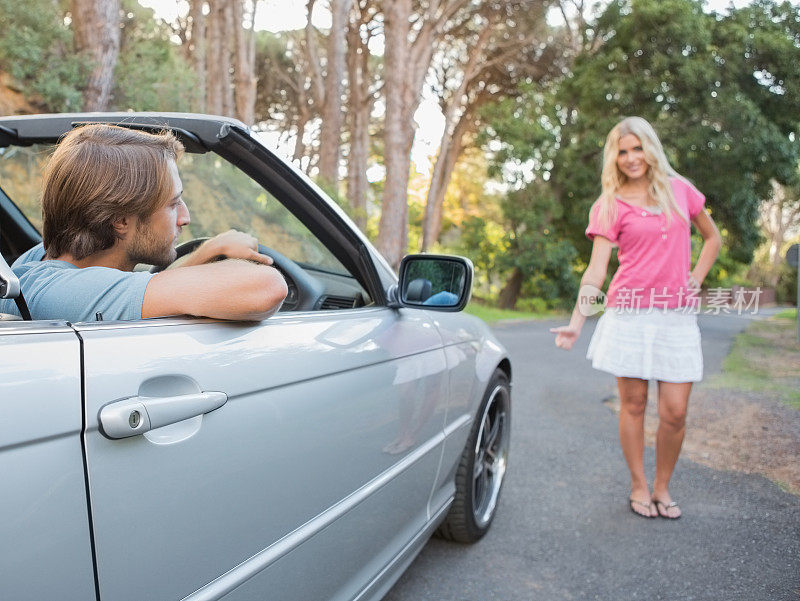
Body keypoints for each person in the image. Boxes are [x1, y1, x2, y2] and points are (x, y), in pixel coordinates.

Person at [550, 116, 721, 519]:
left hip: (675, 317)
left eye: (637, 148)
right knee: (634, 403)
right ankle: (639, 484)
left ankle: (663, 485)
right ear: (614, 158)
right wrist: (578, 320)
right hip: (628, 314)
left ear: (651, 148)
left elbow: (712, 237)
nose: (630, 158)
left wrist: (695, 277)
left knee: (675, 411)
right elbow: (597, 271)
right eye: (622, 152)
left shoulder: (682, 191)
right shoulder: (609, 205)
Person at [0, 124, 287, 322]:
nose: (185, 218)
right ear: (121, 221)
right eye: (173, 204)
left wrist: (204, 252)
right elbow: (266, 288)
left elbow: (141, 288)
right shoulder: (67, 294)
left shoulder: (39, 264)